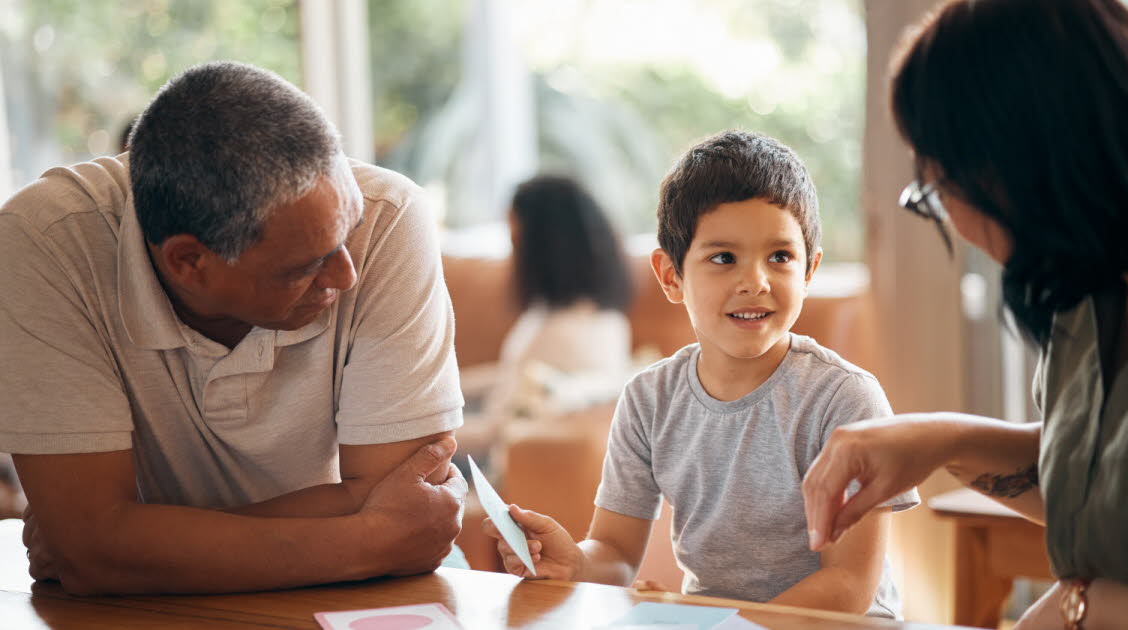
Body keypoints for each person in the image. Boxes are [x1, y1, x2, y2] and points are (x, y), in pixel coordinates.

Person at [801, 0, 1128, 627]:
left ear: (1027, 162)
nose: (956, 226)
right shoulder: (1093, 268)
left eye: (941, 189)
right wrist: (940, 441)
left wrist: (1086, 610)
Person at [0, 62, 467, 595]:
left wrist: (135, 541)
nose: (347, 274)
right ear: (188, 262)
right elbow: (92, 550)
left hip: (370, 593)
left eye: (348, 234)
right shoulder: (45, 241)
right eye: (303, 267)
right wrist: (369, 539)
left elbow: (409, 502)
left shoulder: (388, 217)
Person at [484, 131, 919, 617]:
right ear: (671, 276)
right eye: (723, 258)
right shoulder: (649, 399)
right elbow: (614, 553)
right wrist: (574, 563)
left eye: (780, 257)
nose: (754, 281)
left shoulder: (846, 399)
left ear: (809, 270)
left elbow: (847, 587)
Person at [457, 175, 633, 459]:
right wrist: (443, 387)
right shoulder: (605, 319)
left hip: (494, 458)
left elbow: (494, 433)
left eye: (514, 238)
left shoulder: (557, 334)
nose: (511, 252)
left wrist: (417, 434)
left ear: (542, 246)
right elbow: (516, 373)